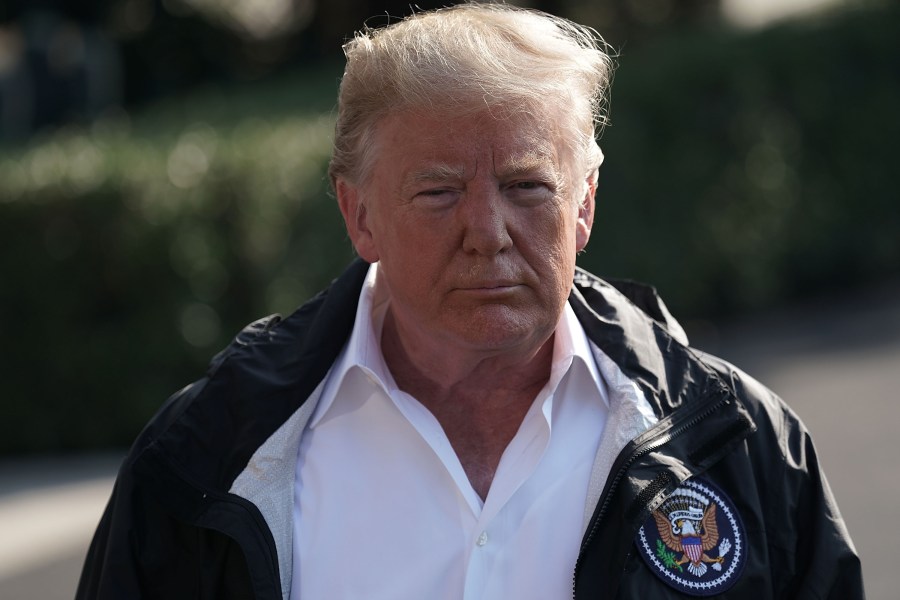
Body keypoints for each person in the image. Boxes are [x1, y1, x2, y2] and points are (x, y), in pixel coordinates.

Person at [76, 3, 864, 599]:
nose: (487, 233)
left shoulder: (739, 444)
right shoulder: (203, 456)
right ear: (359, 215)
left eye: (527, 187)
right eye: (439, 191)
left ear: (584, 204)